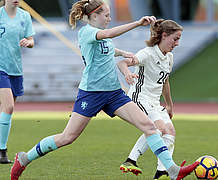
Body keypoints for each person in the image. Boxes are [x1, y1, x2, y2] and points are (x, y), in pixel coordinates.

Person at [10, 0, 198, 179]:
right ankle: (24, 158)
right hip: (91, 94)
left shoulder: (101, 34)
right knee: (67, 137)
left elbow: (108, 47)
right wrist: (137, 23)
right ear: (94, 16)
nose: (109, 18)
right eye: (106, 15)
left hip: (114, 94)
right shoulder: (87, 32)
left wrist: (122, 53)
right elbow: (107, 36)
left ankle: (172, 170)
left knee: (149, 127)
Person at [117, 19, 183, 180]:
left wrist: (169, 105)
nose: (177, 43)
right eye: (175, 39)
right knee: (158, 128)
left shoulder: (169, 58)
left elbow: (165, 81)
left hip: (154, 101)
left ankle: (161, 172)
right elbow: (122, 63)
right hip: (139, 97)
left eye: (179, 39)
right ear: (164, 35)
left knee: (170, 132)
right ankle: (130, 160)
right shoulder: (147, 53)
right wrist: (127, 73)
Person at [0, 0, 35, 164]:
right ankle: (2, 151)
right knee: (8, 107)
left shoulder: (25, 16)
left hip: (16, 70)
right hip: (1, 69)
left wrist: (28, 42)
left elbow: (31, 40)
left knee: (5, 111)